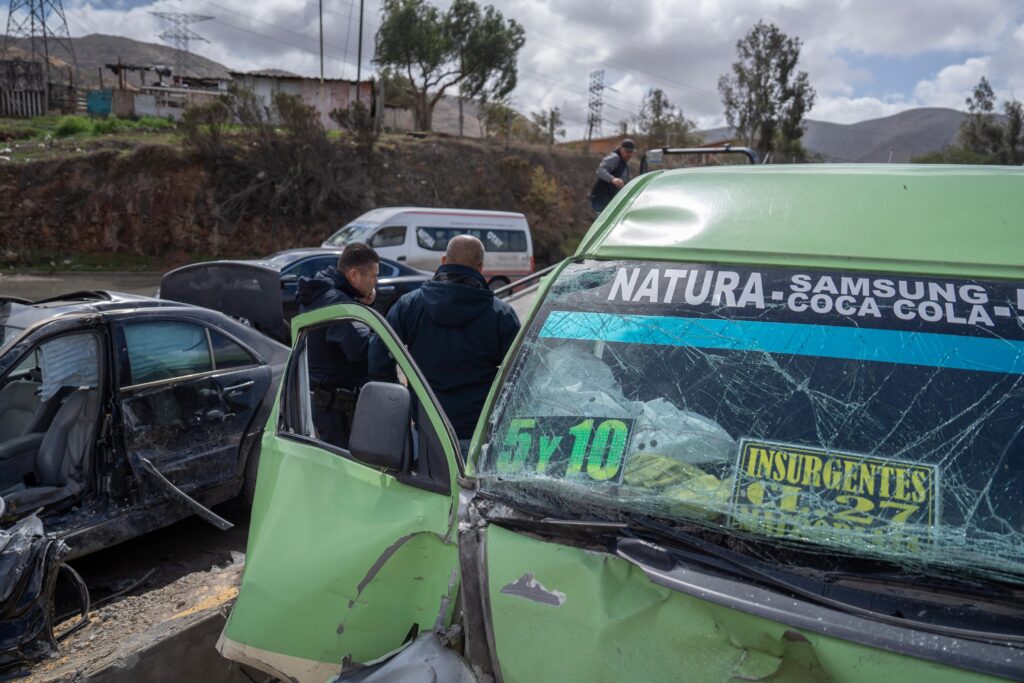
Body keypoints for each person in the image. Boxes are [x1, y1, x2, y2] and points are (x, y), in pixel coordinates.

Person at [369, 235, 520, 452]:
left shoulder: (409, 306)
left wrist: (400, 403)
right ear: (480, 267)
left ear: (443, 260)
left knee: (425, 486)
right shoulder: (500, 314)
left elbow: (378, 356)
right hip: (479, 431)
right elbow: (519, 373)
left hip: (427, 427)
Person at [295, 242, 380, 448]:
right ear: (353, 276)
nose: (376, 282)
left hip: (321, 401)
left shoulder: (320, 292)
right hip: (336, 409)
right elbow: (362, 347)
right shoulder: (338, 304)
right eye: (374, 276)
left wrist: (361, 305)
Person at [589, 138, 636, 214]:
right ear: (621, 149)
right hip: (602, 199)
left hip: (612, 201)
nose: (629, 154)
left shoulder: (625, 163)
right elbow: (600, 171)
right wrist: (613, 179)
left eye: (631, 152)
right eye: (627, 151)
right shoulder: (614, 158)